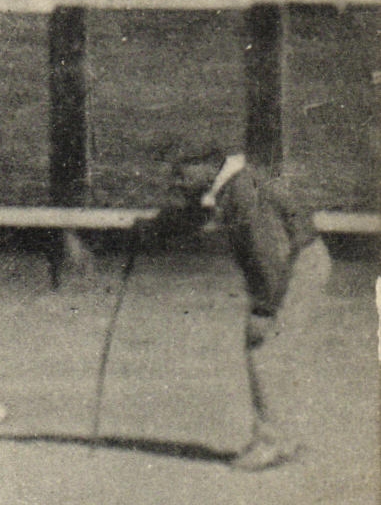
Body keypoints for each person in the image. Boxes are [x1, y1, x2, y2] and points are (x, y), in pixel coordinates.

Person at [137, 140, 330, 470]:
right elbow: (199, 215)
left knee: (263, 349)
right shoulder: (230, 182)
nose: (177, 181)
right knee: (274, 352)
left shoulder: (242, 192)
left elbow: (269, 255)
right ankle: (286, 438)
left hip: (293, 267)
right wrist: (155, 228)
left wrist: (264, 311)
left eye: (182, 172)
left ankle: (271, 443)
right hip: (297, 261)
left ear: (207, 165)